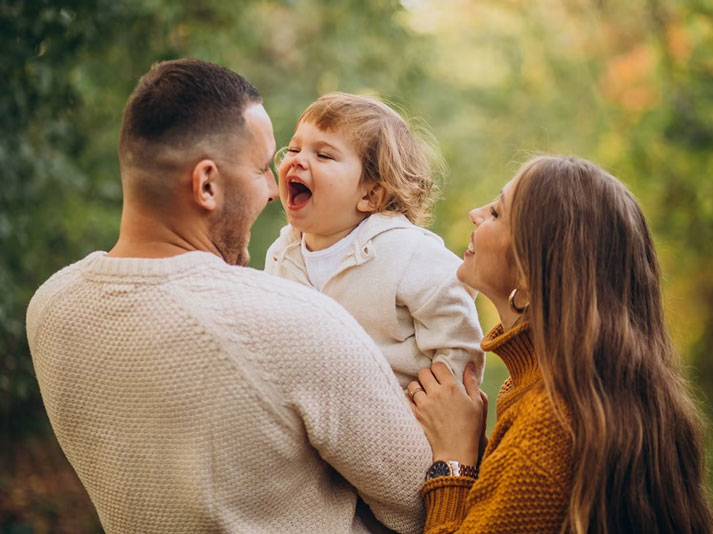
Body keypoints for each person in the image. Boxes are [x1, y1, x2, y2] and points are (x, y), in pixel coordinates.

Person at [26, 59, 431, 534]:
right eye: (263, 168)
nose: (272, 191)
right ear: (207, 185)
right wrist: (460, 453)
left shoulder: (50, 306)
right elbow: (420, 506)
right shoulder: (296, 325)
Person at [408, 155, 713, 533]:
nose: (476, 213)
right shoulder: (579, 390)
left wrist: (454, 461)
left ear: (529, 271)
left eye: (496, 214)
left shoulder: (546, 427)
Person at [265, 92, 484, 389]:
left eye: (324, 155)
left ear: (370, 195)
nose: (298, 160)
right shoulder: (282, 254)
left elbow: (456, 326)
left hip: (395, 418)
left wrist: (442, 401)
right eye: (293, 148)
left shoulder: (405, 251)